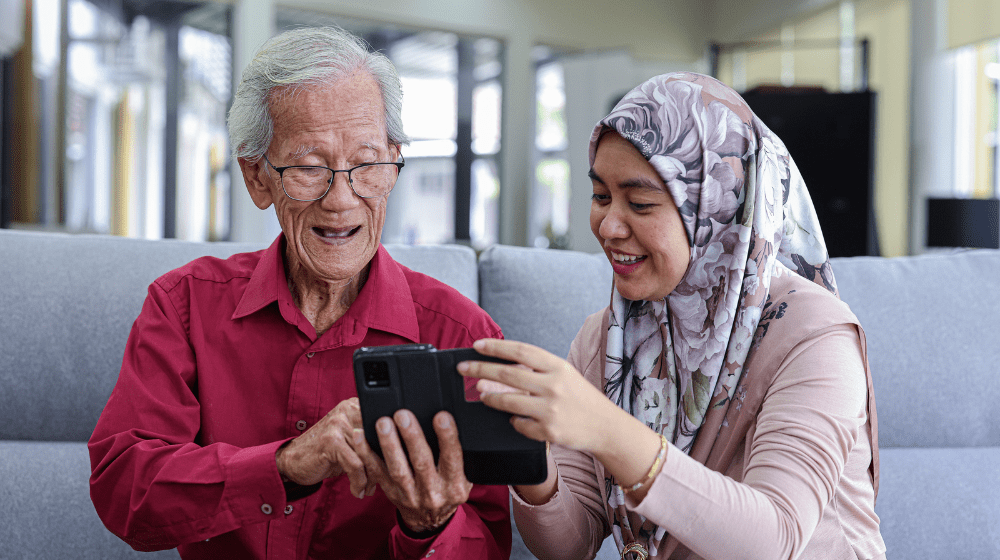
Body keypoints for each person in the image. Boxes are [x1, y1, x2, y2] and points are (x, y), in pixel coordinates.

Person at [88, 27, 510, 560]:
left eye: (367, 164)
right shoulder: (184, 306)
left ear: (393, 165)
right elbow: (125, 494)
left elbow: (489, 544)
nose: (341, 200)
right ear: (256, 177)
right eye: (310, 168)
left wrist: (429, 526)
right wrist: (285, 465)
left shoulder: (462, 334)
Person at [459, 72, 885, 560]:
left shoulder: (814, 337)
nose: (608, 226)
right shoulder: (607, 338)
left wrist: (603, 426)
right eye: (601, 197)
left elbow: (774, 538)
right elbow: (569, 546)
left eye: (639, 203)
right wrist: (528, 457)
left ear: (718, 208)